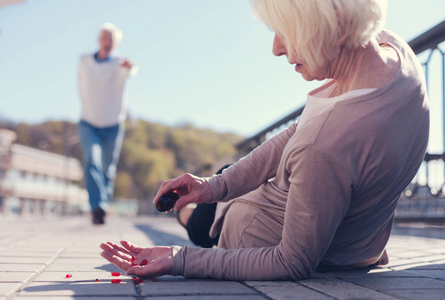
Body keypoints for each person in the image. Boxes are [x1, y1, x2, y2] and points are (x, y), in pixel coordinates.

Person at [100, 0, 429, 280]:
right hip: (351, 245)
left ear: (338, 28)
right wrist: (213, 185)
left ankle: (181, 214)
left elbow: (292, 262)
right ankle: (201, 199)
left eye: (286, 31)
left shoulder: (325, 144)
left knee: (199, 220)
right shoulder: (396, 55)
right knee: (221, 182)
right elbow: (294, 134)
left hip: (254, 234)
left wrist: (179, 258)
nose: (276, 48)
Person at [78, 23, 137, 225]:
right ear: (99, 39)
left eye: (111, 38)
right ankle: (97, 207)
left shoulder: (121, 63)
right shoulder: (84, 61)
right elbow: (81, 85)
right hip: (88, 122)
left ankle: (102, 201)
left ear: (116, 43)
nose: (107, 41)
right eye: (104, 37)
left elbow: (131, 71)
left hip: (113, 123)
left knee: (107, 168)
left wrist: (129, 68)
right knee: (91, 161)